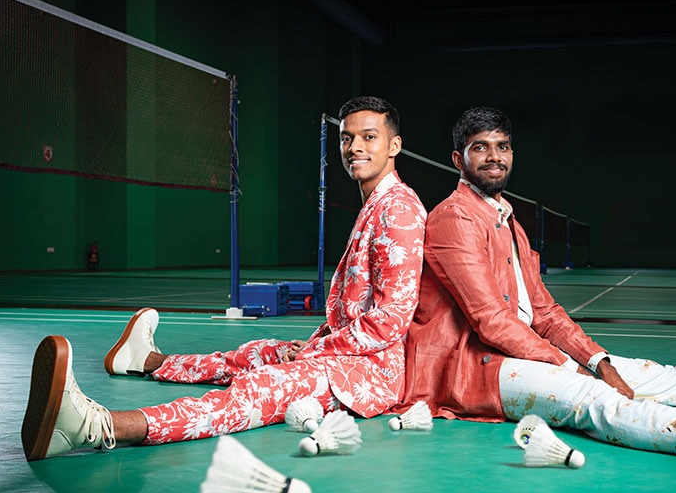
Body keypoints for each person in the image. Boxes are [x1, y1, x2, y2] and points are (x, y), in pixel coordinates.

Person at [396, 106, 676, 476]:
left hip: (525, 351)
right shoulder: (453, 218)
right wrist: (573, 369)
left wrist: (598, 361)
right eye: (481, 148)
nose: (494, 157)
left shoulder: (508, 220)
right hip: (482, 366)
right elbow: (490, 321)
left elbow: (546, 311)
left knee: (651, 374)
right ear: (459, 160)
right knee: (595, 400)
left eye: (503, 146)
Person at [21, 95, 428, 461]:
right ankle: (148, 361)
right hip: (344, 353)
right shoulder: (374, 205)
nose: (355, 147)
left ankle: (96, 427)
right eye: (346, 138)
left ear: (394, 146)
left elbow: (390, 320)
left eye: (369, 137)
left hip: (367, 374)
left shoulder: (400, 210)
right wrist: (317, 342)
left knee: (258, 388)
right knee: (256, 353)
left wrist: (314, 354)